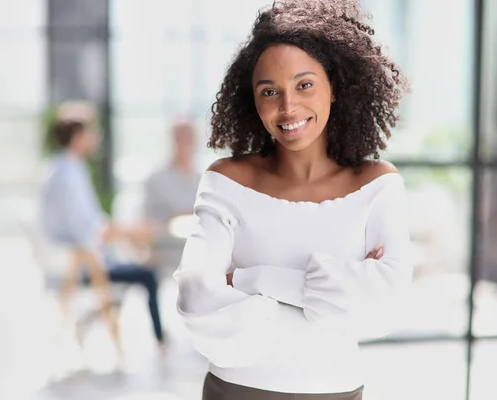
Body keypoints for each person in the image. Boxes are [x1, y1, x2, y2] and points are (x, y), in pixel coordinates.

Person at [173, 0, 412, 398]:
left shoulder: (378, 184)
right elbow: (195, 296)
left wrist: (252, 280)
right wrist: (333, 296)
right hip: (236, 391)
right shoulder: (226, 180)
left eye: (304, 85)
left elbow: (386, 307)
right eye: (270, 91)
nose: (288, 107)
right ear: (253, 100)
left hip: (338, 392)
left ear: (334, 88)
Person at [40, 119, 166, 348]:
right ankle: (161, 342)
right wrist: (133, 231)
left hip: (75, 258)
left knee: (138, 266)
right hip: (80, 263)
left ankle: (88, 320)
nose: (94, 138)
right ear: (77, 137)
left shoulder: (59, 168)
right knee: (148, 274)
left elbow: (90, 225)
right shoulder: (68, 174)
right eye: (90, 133)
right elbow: (89, 229)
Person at [143, 120, 201, 272]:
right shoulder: (156, 180)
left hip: (200, 252)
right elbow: (148, 225)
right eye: (181, 139)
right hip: (167, 256)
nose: (186, 145)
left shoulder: (204, 179)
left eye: (189, 139)